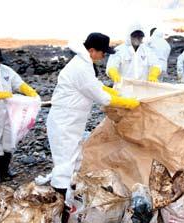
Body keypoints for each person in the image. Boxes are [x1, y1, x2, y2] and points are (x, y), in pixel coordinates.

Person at [46, 33, 139, 222]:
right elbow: (101, 98)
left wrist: (109, 89)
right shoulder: (80, 67)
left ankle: (69, 200)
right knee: (64, 165)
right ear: (91, 50)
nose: (104, 56)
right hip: (65, 123)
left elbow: (95, 86)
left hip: (72, 123)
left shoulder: (84, 64)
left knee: (74, 161)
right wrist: (125, 102)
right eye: (103, 53)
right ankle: (59, 210)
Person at [0, 47, 38, 183]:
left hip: (7, 114)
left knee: (8, 143)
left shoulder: (5, 70)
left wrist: (30, 91)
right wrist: (2, 95)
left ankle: (4, 172)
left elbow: (18, 83)